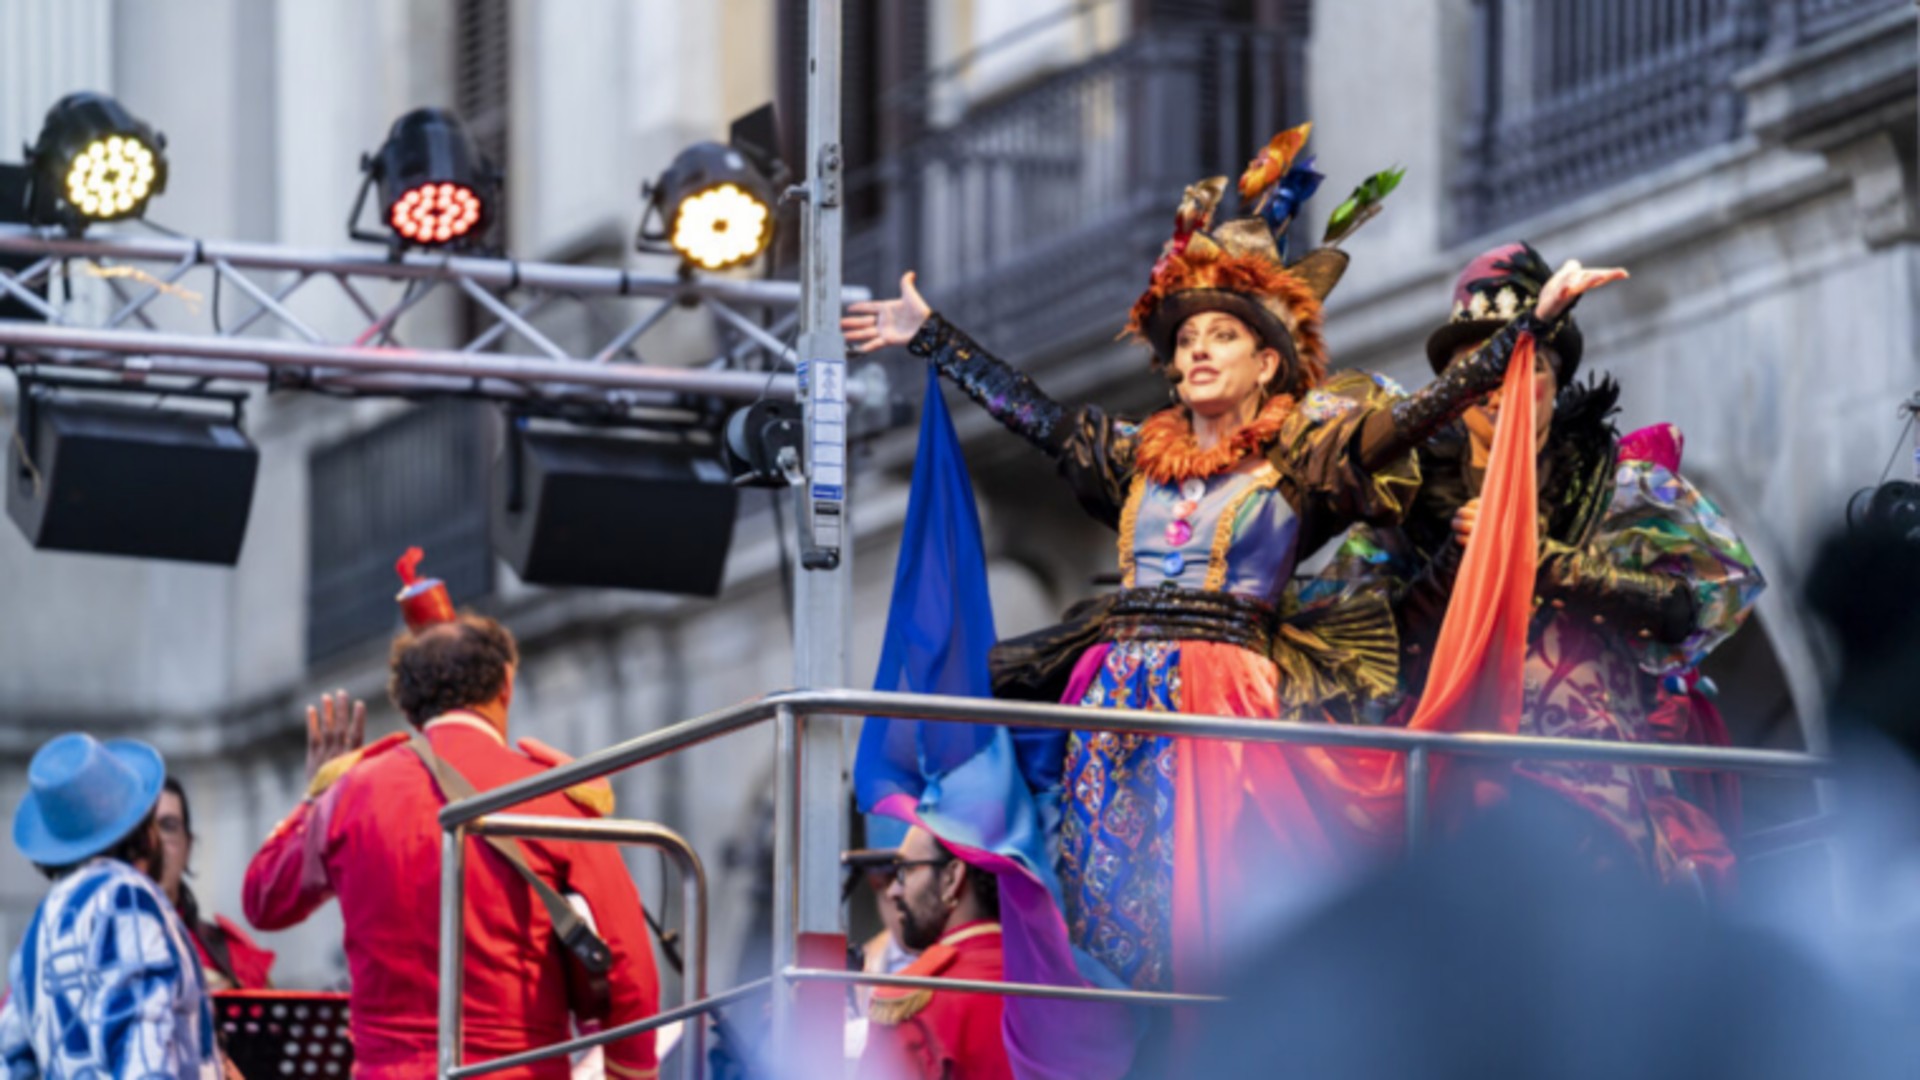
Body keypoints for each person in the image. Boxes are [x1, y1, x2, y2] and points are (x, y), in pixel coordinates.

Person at [843, 124, 1587, 1000]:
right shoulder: (1134, 456)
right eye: (1187, 336)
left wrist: (1522, 334)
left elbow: (1412, 417)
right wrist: (934, 335)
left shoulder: (1299, 459)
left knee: (1214, 921)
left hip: (1226, 706)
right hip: (1111, 702)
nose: (1197, 348)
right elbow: (1033, 414)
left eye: (1222, 336)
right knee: (1108, 918)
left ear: (1268, 361)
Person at [1390, 241, 1765, 895]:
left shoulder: (1620, 487)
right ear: (1453, 387)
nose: (1505, 387)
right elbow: (1366, 644)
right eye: (1484, 364)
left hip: (1602, 800)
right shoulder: (1401, 499)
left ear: (1557, 382)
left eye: (1529, 365)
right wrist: (1455, 565)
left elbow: (1693, 604)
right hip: (1446, 794)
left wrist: (1548, 564)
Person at [242, 600, 661, 1080]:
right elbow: (628, 963)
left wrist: (316, 793)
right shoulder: (550, 791)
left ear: (407, 703)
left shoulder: (350, 793)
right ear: (505, 684)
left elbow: (264, 900)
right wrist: (631, 1072)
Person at [1, 733, 225, 1079]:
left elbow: (11, 1062)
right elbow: (144, 1062)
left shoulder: (39, 927)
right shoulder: (125, 899)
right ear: (142, 830)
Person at [857, 828, 1012, 1080]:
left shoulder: (911, 999)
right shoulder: (1070, 984)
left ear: (952, 878)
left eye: (906, 870)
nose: (893, 891)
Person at [156, 777, 277, 991]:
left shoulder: (233, 957)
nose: (155, 843)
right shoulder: (95, 944)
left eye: (168, 827)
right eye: (143, 831)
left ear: (188, 847)